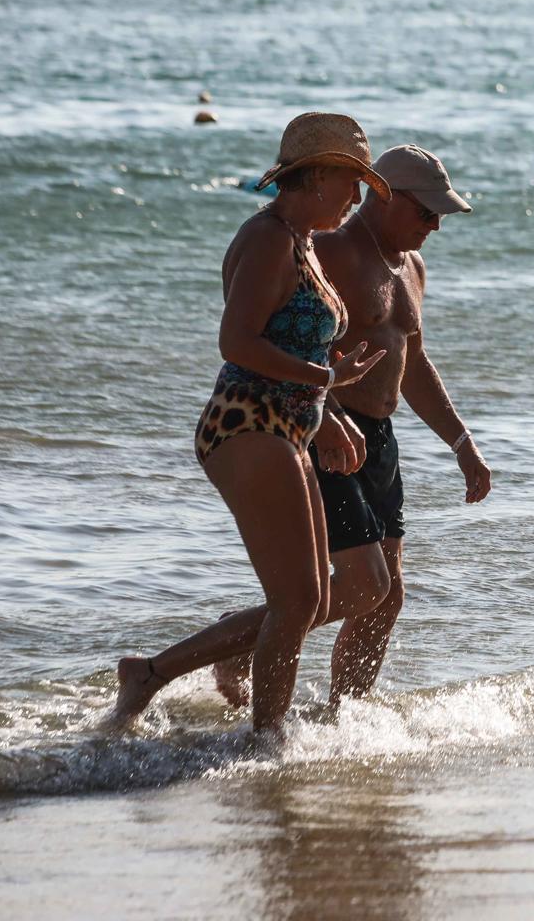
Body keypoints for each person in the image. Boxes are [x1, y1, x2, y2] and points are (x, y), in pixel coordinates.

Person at [110, 113, 392, 735]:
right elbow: (235, 342)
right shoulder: (267, 238)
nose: (358, 198)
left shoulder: (302, 241)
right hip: (247, 424)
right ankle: (266, 742)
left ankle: (158, 679)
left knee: (312, 597)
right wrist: (326, 385)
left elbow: (297, 349)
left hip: (286, 426)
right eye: (352, 183)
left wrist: (329, 415)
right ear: (316, 177)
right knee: (297, 601)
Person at [209, 145, 491, 709]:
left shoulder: (411, 267)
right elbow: (275, 340)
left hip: (380, 439)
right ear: (389, 197)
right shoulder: (329, 250)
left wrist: (461, 443)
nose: (435, 226)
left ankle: (343, 717)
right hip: (327, 429)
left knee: (386, 597)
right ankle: (235, 643)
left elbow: (412, 365)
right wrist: (328, 415)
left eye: (441, 216)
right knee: (358, 585)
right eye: (427, 213)